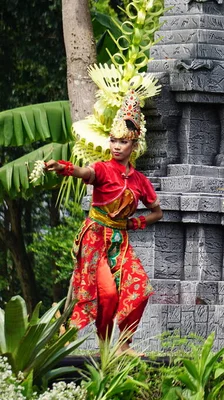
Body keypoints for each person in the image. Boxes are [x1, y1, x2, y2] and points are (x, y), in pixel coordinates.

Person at [46, 90, 163, 356]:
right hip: (95, 237)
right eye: (113, 141)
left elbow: (158, 212)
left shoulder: (140, 181)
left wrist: (136, 223)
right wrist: (64, 168)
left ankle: (124, 345)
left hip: (121, 240)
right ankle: (103, 347)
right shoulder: (102, 168)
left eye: (123, 141)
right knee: (108, 295)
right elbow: (83, 172)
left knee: (140, 289)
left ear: (134, 145)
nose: (116, 146)